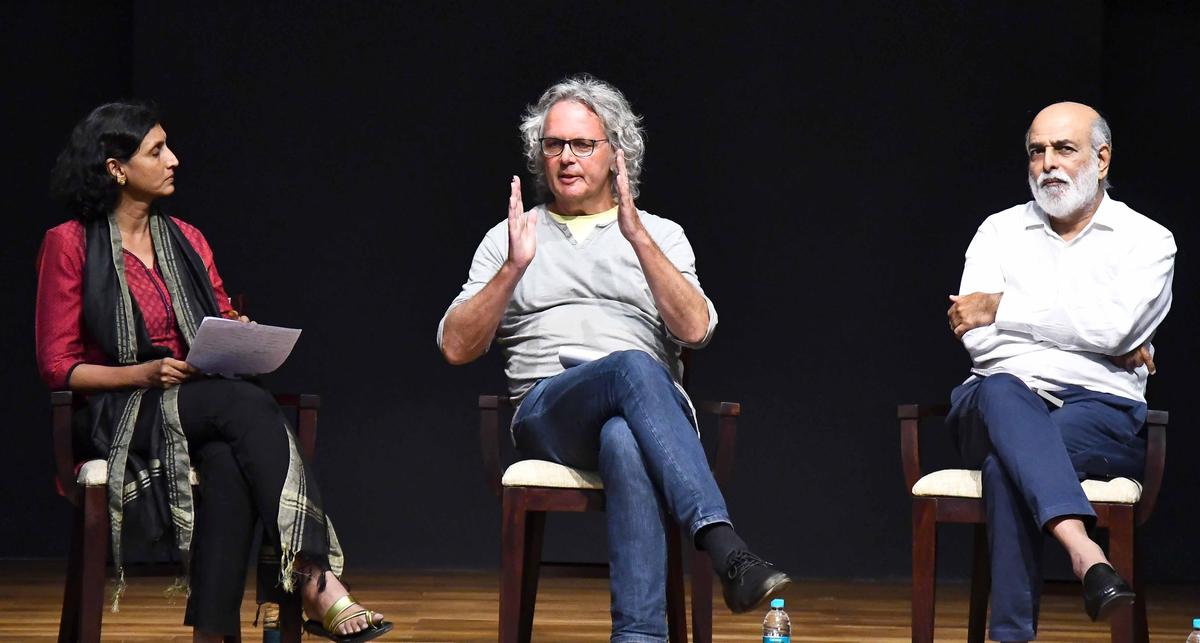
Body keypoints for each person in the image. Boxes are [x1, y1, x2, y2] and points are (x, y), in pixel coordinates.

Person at [438, 75, 791, 642]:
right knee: (630, 365)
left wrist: (637, 239)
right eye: (554, 145)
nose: (566, 158)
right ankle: (725, 547)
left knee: (625, 437)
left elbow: (696, 329)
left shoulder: (660, 234)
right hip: (549, 413)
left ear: (616, 154)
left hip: (648, 416)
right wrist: (512, 269)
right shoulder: (511, 236)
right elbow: (456, 346)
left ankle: (639, 637)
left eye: (583, 145)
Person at [36, 101, 390, 643]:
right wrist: (144, 374)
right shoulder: (69, 244)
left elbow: (215, 319)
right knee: (245, 405)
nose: (173, 159)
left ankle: (215, 634)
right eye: (156, 151)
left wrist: (236, 333)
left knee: (228, 461)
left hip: (195, 406)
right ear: (116, 167)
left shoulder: (188, 239)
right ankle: (315, 581)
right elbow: (59, 368)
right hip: (115, 415)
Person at [945, 101, 1175, 643]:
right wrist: (1098, 340)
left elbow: (1116, 329)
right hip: (992, 402)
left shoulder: (1148, 241)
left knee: (1009, 469)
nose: (1048, 163)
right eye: (1036, 151)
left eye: (1064, 149)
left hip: (1099, 411)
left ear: (1102, 158)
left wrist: (1003, 307)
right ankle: (1086, 553)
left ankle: (1010, 637)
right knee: (1002, 385)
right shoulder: (997, 232)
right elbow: (979, 343)